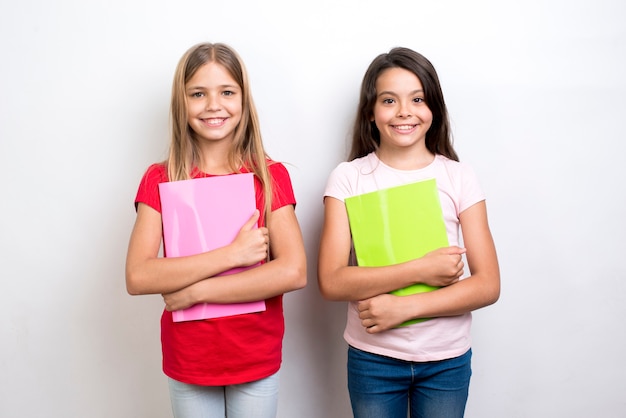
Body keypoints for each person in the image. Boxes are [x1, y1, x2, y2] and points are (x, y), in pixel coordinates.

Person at [125, 42, 307, 418]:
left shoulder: (269, 177)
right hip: (190, 359)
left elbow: (293, 270)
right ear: (182, 102)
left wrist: (195, 291)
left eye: (226, 92)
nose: (213, 105)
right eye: (198, 94)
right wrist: (232, 255)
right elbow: (139, 275)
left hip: (254, 355)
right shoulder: (160, 178)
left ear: (243, 100)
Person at [317, 47, 500, 418]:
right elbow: (331, 281)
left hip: (445, 360)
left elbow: (488, 284)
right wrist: (419, 270)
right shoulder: (349, 178)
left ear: (433, 108)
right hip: (374, 360)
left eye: (417, 99)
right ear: (371, 111)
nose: (404, 111)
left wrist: (403, 308)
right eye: (389, 100)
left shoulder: (458, 177)